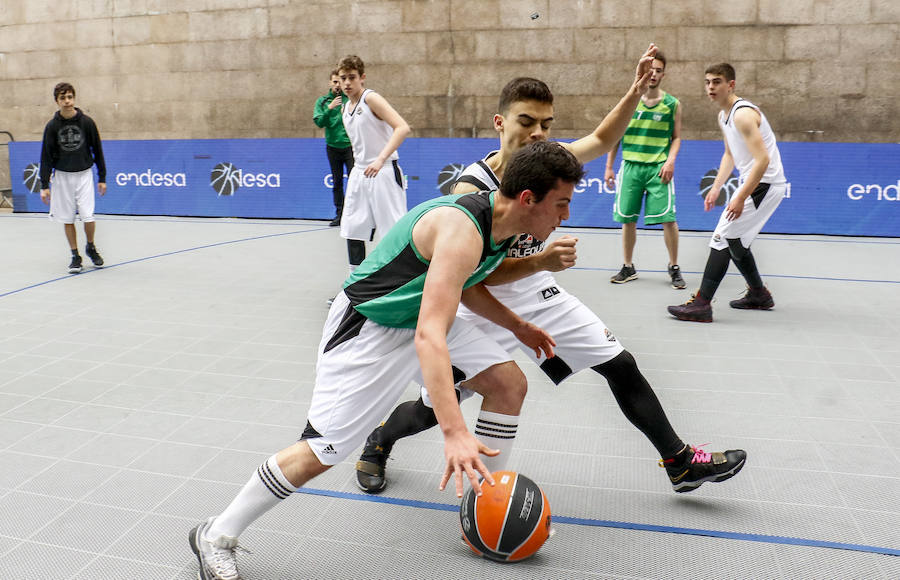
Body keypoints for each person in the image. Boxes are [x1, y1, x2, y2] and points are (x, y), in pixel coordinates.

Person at [355, 46, 746, 498]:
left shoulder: (550, 159)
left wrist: (635, 92)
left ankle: (679, 463)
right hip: (484, 304)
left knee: (620, 364)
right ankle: (379, 440)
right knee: (436, 407)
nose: (538, 133)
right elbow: (471, 280)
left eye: (546, 124)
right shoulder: (472, 188)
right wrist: (539, 260)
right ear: (500, 123)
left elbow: (600, 140)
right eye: (527, 122)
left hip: (539, 291)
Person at [189, 141, 583, 580]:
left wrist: (518, 326)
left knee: (509, 384)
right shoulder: (462, 229)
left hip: (416, 318)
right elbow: (429, 336)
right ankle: (216, 534)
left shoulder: (499, 226)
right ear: (528, 199)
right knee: (322, 451)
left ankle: (485, 513)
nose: (564, 215)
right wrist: (454, 431)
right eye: (561, 204)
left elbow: (464, 284)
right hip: (369, 328)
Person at [667, 63, 787, 323]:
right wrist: (717, 187)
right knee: (735, 242)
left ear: (730, 85)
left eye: (717, 82)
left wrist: (741, 197)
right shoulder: (723, 116)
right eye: (708, 81)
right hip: (757, 183)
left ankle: (702, 304)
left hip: (764, 185)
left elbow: (762, 161)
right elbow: (730, 154)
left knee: (722, 237)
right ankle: (759, 294)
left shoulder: (742, 115)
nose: (711, 87)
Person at [605, 52, 685, 289]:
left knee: (668, 219)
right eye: (650, 69)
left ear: (663, 74)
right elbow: (615, 135)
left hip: (658, 168)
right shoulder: (630, 102)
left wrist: (670, 161)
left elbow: (677, 137)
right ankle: (628, 266)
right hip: (630, 166)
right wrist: (609, 167)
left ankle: (674, 266)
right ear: (643, 71)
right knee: (628, 219)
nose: (654, 74)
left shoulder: (673, 104)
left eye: (658, 70)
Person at [337, 55, 410, 272]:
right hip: (360, 172)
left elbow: (402, 127)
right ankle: (354, 286)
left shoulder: (371, 99)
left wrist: (380, 159)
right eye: (343, 78)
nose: (347, 82)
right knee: (352, 227)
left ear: (362, 78)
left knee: (393, 230)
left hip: (384, 171)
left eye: (352, 77)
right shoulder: (345, 108)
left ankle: (399, 281)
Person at [39, 82, 107, 273]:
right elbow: (46, 156)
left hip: (84, 175)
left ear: (74, 98)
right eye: (63, 98)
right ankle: (75, 255)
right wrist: (44, 184)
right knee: (68, 218)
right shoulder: (52, 127)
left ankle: (91, 247)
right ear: (57, 101)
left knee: (88, 216)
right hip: (62, 177)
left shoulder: (87, 122)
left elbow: (98, 150)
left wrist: (102, 177)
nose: (67, 101)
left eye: (69, 97)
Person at [313, 69, 354, 227]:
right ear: (330, 83)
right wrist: (329, 109)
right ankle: (340, 214)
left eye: (340, 81)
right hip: (333, 147)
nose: (338, 85)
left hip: (350, 146)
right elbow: (319, 122)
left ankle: (354, 214)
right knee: (337, 182)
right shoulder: (322, 102)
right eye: (335, 82)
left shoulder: (349, 99)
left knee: (354, 182)